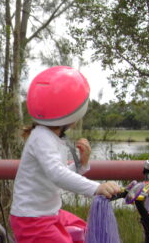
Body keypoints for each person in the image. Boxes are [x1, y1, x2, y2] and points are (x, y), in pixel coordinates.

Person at [10, 66, 120, 243]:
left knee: (86, 230)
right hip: (33, 220)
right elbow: (57, 174)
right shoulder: (42, 137)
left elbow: (57, 172)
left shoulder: (48, 135)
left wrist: (80, 164)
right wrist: (96, 188)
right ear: (72, 113)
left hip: (48, 214)